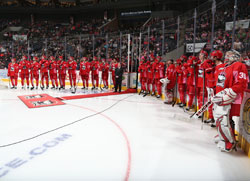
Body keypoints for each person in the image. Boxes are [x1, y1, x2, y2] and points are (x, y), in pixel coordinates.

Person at [212, 49, 248, 152]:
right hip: (222, 97)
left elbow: (241, 83)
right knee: (220, 118)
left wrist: (229, 93)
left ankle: (230, 141)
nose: (227, 56)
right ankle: (224, 136)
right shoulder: (226, 67)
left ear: (235, 56)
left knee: (226, 119)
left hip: (232, 98)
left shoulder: (239, 65)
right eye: (226, 54)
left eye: (230, 54)